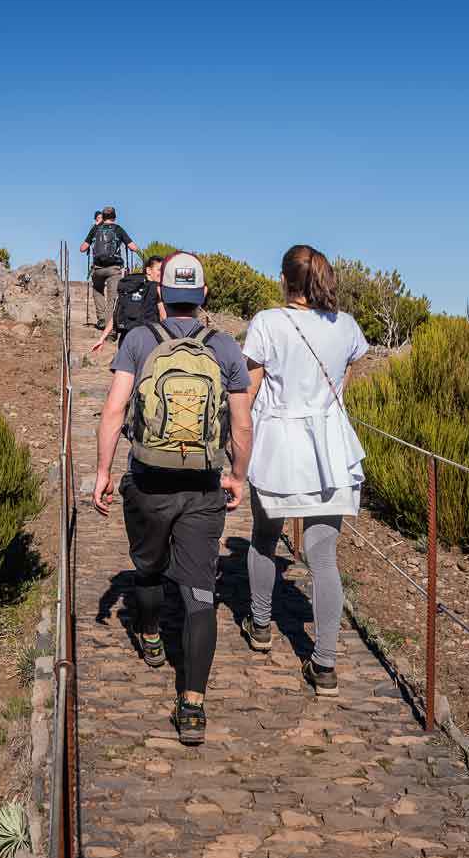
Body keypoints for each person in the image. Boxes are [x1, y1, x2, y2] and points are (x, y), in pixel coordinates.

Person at [92, 252, 252, 744]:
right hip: (203, 486)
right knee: (201, 591)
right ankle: (193, 705)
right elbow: (242, 424)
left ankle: (151, 634)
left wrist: (102, 470)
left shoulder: (139, 340)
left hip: (147, 480)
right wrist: (238, 476)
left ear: (161, 293)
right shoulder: (225, 348)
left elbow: (116, 408)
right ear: (203, 296)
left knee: (147, 567)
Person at [239, 245, 369, 696]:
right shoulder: (346, 326)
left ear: (284, 279)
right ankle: (325, 663)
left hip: (279, 445)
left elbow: (249, 392)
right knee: (324, 557)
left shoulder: (267, 323)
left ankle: (259, 625)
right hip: (330, 448)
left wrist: (235, 449)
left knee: (263, 537)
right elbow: (343, 380)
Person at [88, 254, 166, 354]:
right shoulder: (157, 288)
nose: (162, 273)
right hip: (147, 339)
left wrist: (102, 338)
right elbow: (163, 317)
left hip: (126, 339)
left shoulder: (129, 287)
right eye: (159, 270)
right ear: (148, 270)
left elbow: (116, 314)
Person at [79, 206, 139, 331]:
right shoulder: (118, 229)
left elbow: (83, 248)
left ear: (103, 217)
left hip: (98, 268)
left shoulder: (95, 229)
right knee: (112, 297)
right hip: (114, 269)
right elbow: (133, 247)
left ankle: (101, 318)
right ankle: (110, 325)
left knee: (97, 290)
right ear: (115, 217)